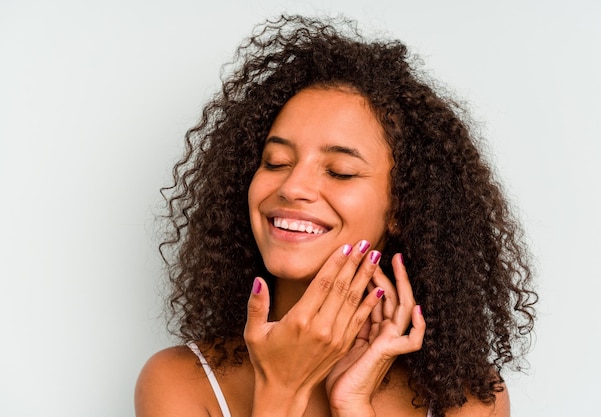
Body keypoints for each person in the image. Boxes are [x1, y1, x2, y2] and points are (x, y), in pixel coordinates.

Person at [135, 15, 537, 417]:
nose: (292, 187)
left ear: (402, 206)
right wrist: (282, 390)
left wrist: (353, 404)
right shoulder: (179, 383)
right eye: (275, 162)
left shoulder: (470, 400)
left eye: (339, 171)